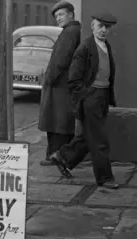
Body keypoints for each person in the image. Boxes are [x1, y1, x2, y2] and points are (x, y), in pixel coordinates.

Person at [50, 12, 119, 189]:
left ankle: (63, 157)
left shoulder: (106, 45)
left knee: (88, 136)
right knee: (100, 139)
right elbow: (73, 79)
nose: (103, 30)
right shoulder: (85, 48)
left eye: (107, 27)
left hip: (102, 96)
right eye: (100, 26)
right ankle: (104, 178)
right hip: (91, 97)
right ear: (92, 26)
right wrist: (87, 95)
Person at [37, 0, 81, 166]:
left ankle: (56, 156)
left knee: (57, 122)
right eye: (56, 16)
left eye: (61, 14)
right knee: (61, 122)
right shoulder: (73, 30)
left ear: (71, 14)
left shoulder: (69, 32)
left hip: (59, 86)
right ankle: (58, 155)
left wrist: (49, 79)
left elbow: (60, 60)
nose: (59, 18)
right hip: (65, 85)